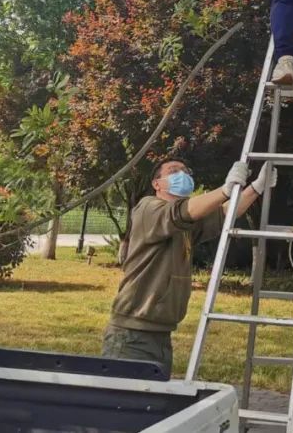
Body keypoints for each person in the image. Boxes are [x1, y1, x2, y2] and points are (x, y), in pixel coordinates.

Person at [101, 158, 276, 377]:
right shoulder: (149, 208)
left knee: (152, 406)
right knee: (124, 405)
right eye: (174, 171)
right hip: (131, 336)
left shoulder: (184, 225)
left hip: (161, 335)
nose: (182, 175)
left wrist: (256, 188)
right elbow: (180, 212)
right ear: (157, 184)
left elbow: (224, 214)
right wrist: (225, 189)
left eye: (185, 171)